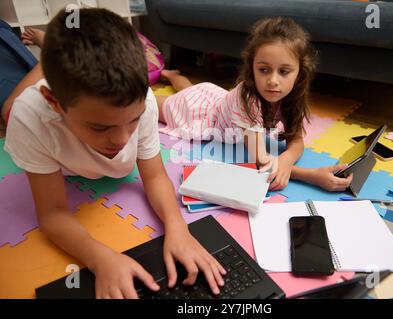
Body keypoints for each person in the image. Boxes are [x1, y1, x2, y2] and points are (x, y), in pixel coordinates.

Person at [2, 8, 226, 299]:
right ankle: (43, 61)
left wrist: (177, 227)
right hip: (25, 109)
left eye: (132, 121)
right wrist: (100, 257)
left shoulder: (142, 100)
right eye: (99, 127)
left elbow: (155, 175)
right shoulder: (30, 116)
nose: (122, 140)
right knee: (8, 109)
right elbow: (53, 213)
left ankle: (49, 56)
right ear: (54, 103)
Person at [157, 17, 353, 191]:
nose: (273, 81)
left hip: (214, 97)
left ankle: (173, 75)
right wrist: (312, 176)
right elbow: (262, 160)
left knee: (191, 89)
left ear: (299, 74)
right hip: (196, 112)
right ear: (252, 68)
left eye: (284, 72)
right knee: (148, 104)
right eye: (264, 70)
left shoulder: (292, 96)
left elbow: (297, 140)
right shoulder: (248, 99)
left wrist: (285, 160)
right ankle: (157, 78)